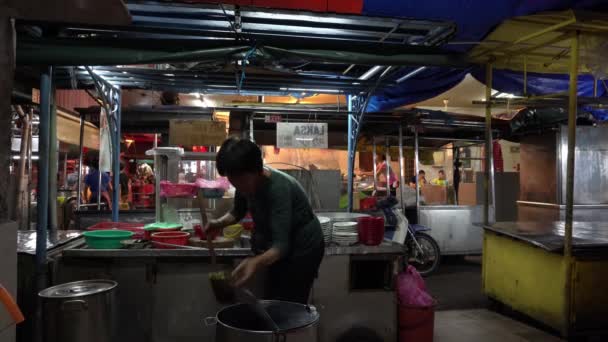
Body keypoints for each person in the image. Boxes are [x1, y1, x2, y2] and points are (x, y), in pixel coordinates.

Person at [206, 137, 324, 304]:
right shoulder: (245, 181)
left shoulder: (278, 189)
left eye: (241, 181)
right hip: (279, 245)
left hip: (303, 247)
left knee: (290, 302)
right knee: (275, 296)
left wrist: (255, 262)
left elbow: (281, 246)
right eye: (234, 183)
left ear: (257, 170)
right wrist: (218, 223)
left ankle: (292, 329)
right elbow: (237, 211)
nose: (239, 187)